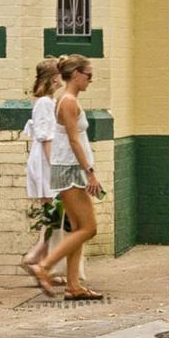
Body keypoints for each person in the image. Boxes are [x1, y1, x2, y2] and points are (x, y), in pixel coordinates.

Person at [30, 54, 103, 301]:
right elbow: (73, 140)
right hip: (70, 170)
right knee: (89, 228)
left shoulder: (65, 100)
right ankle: (44, 266)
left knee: (78, 229)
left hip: (68, 169)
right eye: (88, 75)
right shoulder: (69, 102)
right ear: (76, 74)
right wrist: (90, 173)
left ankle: (73, 286)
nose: (90, 80)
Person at [19, 58, 62, 279]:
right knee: (54, 213)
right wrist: (56, 167)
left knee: (52, 213)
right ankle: (36, 259)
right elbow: (46, 138)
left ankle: (42, 262)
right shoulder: (45, 102)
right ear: (54, 78)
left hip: (45, 159)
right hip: (46, 162)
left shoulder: (47, 101)